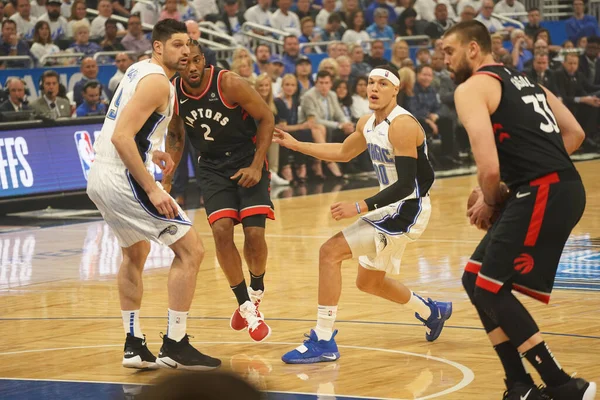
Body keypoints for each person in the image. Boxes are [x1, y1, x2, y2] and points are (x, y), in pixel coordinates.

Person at [442, 20, 595, 400]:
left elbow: (489, 169)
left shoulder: (471, 88)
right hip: (556, 186)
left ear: (473, 49)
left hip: (543, 190)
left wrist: (490, 199)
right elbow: (574, 134)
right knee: (475, 280)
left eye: (449, 51)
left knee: (491, 289)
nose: (443, 59)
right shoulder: (527, 81)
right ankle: (520, 385)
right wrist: (513, 186)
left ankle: (560, 385)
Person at [274, 65, 453, 364]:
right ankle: (430, 312)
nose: (374, 88)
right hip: (390, 207)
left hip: (408, 208)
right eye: (371, 82)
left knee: (329, 252)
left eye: (383, 83)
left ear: (396, 89)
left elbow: (406, 185)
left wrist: (358, 206)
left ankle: (323, 339)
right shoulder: (367, 122)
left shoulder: (402, 125)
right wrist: (297, 145)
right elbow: (344, 152)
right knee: (369, 282)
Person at [86, 19, 221, 371]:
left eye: (188, 45)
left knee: (136, 252)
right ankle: (175, 344)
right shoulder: (158, 82)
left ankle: (133, 344)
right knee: (192, 250)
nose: (186, 51)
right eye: (177, 44)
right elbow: (121, 137)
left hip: (101, 175)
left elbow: (125, 130)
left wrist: (150, 155)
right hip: (122, 178)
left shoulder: (139, 70)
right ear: (158, 47)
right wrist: (150, 187)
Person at [163, 40, 275, 342]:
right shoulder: (173, 90)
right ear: (178, 64)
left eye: (197, 60)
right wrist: (167, 181)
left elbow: (266, 117)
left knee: (254, 236)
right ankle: (245, 306)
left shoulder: (228, 83)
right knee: (222, 231)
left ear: (204, 60)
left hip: (246, 158)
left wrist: (255, 165)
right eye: (186, 62)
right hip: (212, 168)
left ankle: (257, 289)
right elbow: (175, 133)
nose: (193, 67)